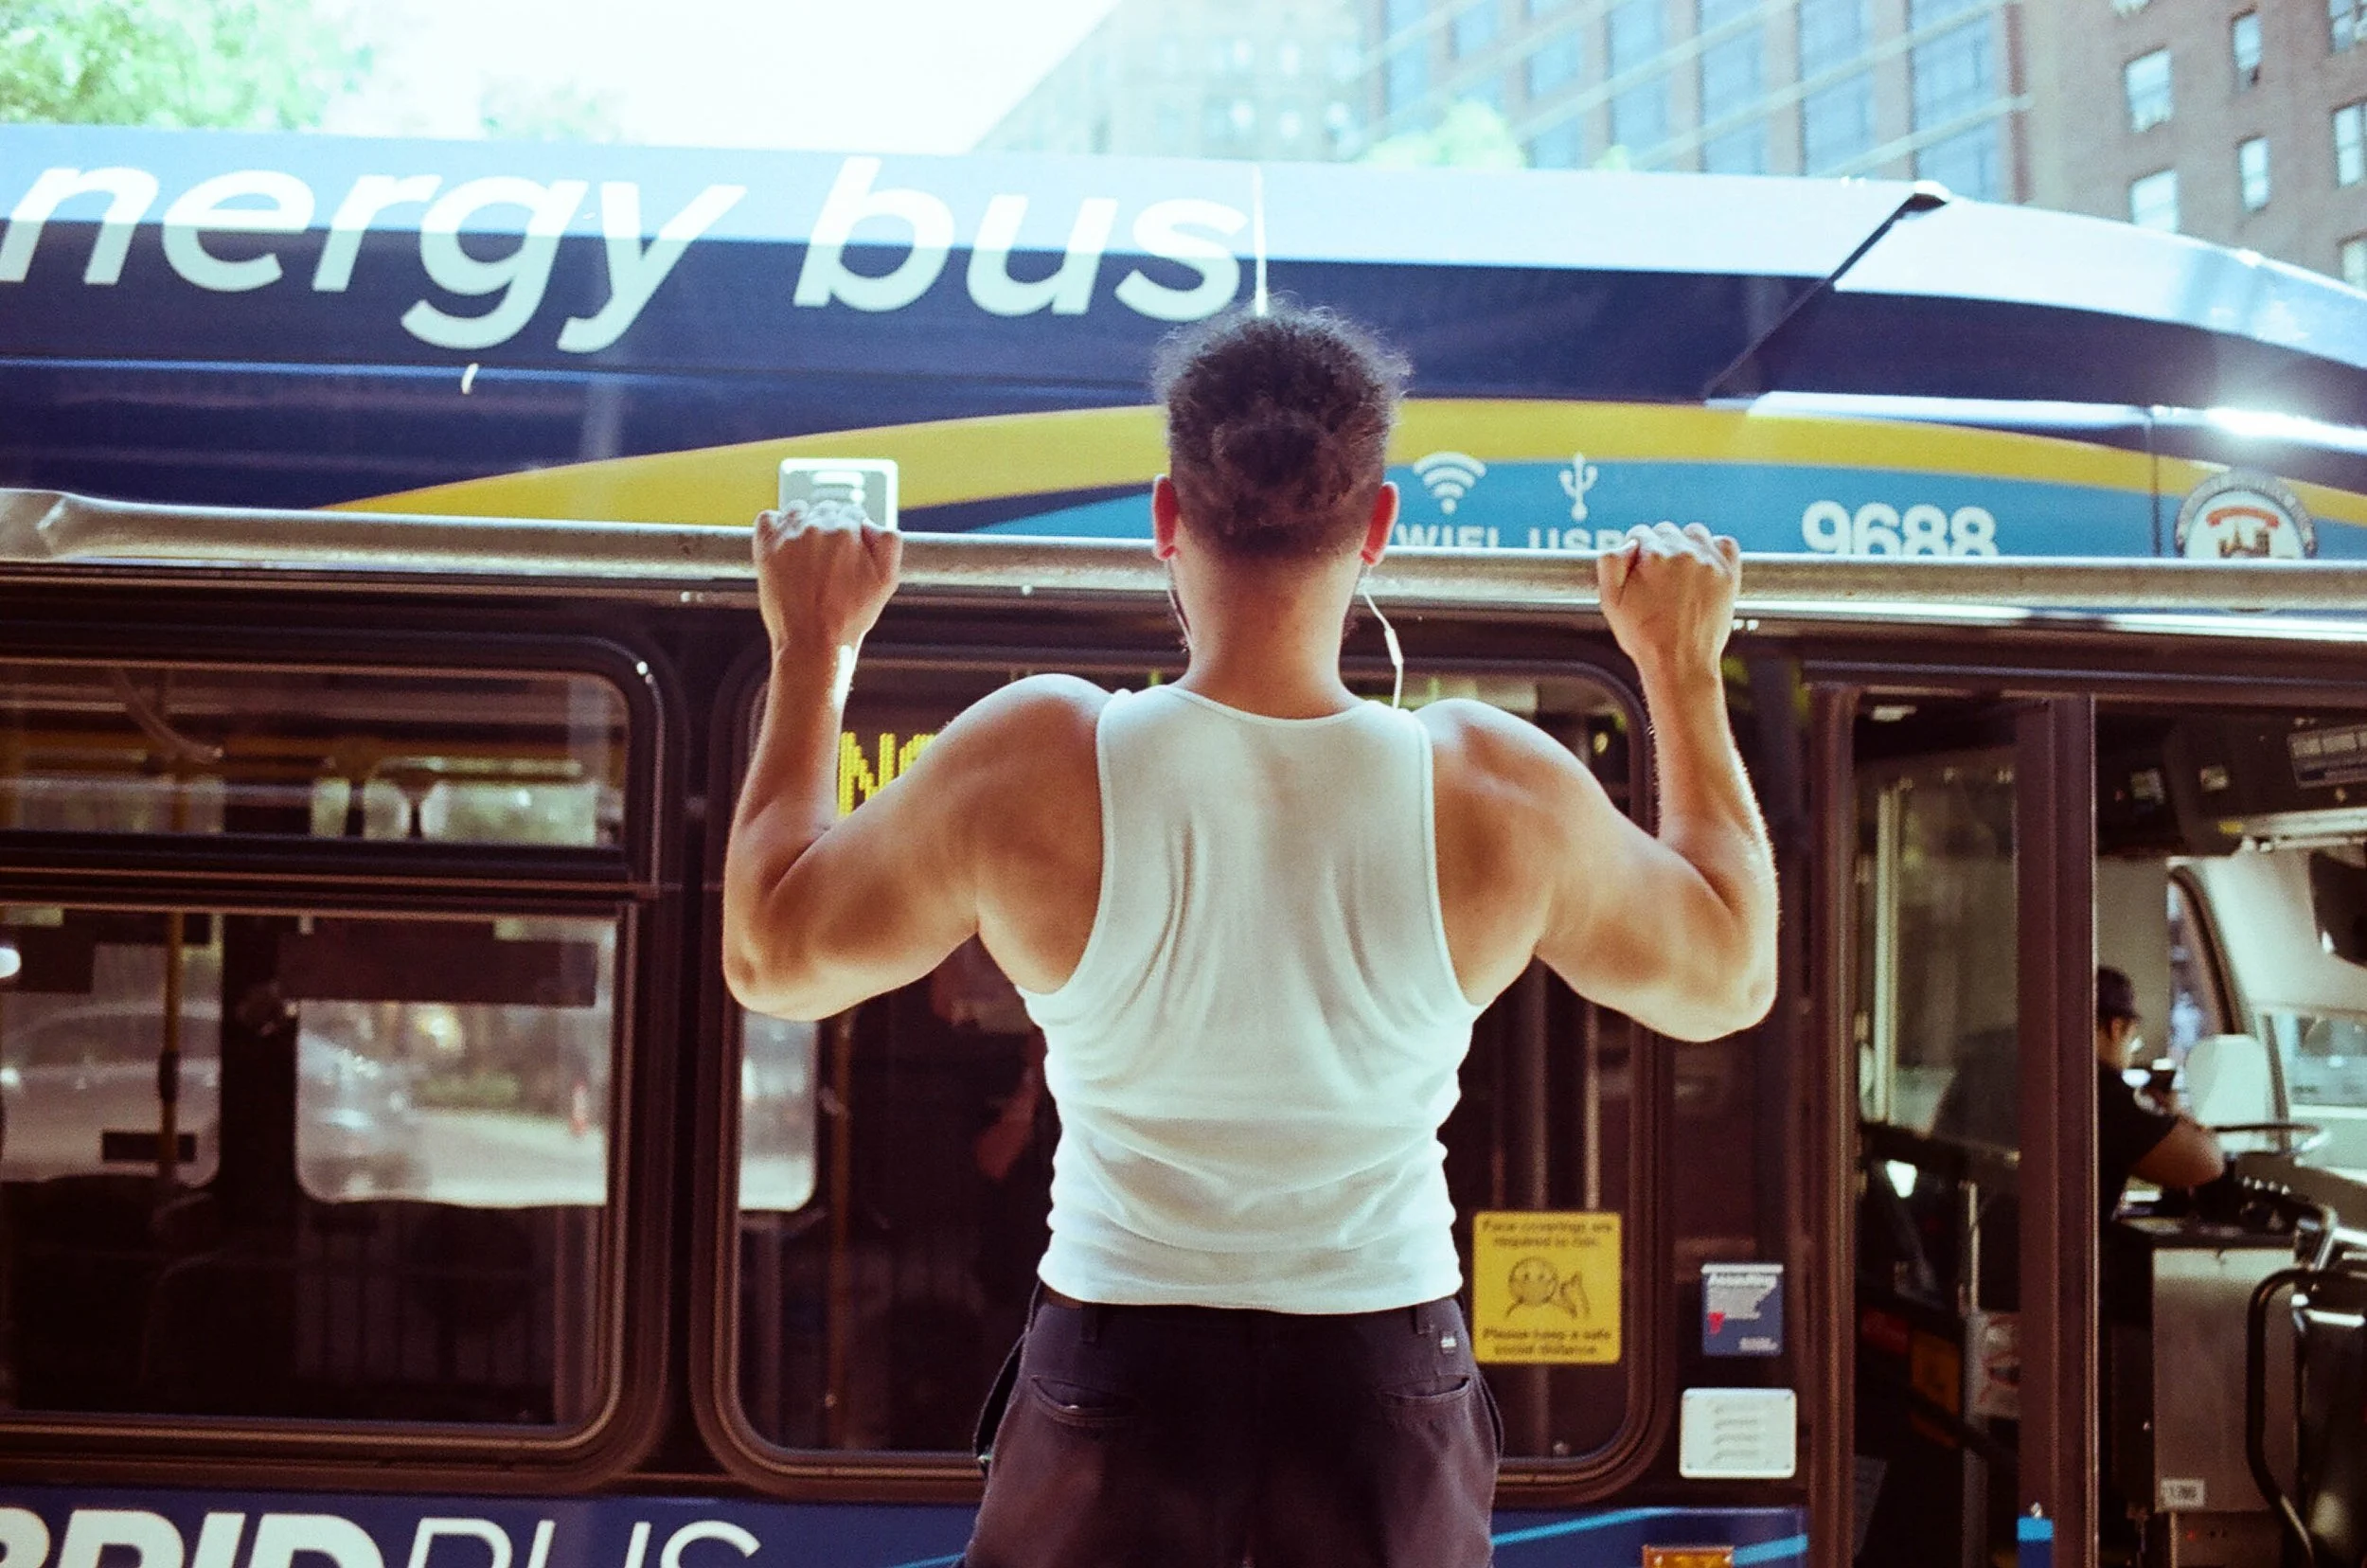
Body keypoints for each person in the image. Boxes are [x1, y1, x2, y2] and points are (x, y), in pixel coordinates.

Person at [721, 303, 1778, 1568]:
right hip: (1383, 1381)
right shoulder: (1491, 786)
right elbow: (1728, 975)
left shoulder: (1039, 758)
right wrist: (1680, 665)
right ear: (1377, 527)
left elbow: (770, 955)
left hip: (1121, 1375)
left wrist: (815, 646)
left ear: (1167, 518)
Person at [2094, 965, 2223, 1214]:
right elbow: (2208, 1163)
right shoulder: (2104, 1095)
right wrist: (2173, 1114)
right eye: (2132, 1036)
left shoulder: (2036, 1081)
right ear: (2116, 1027)